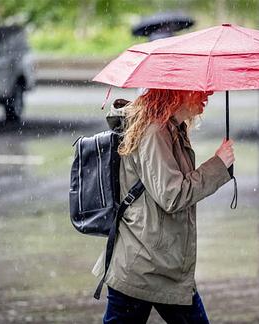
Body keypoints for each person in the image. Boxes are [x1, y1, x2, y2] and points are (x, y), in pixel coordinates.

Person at [94, 89, 235, 323]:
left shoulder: (172, 129)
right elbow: (172, 195)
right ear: (176, 92)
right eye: (198, 87)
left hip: (161, 264)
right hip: (144, 266)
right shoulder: (154, 132)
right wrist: (218, 165)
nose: (209, 91)